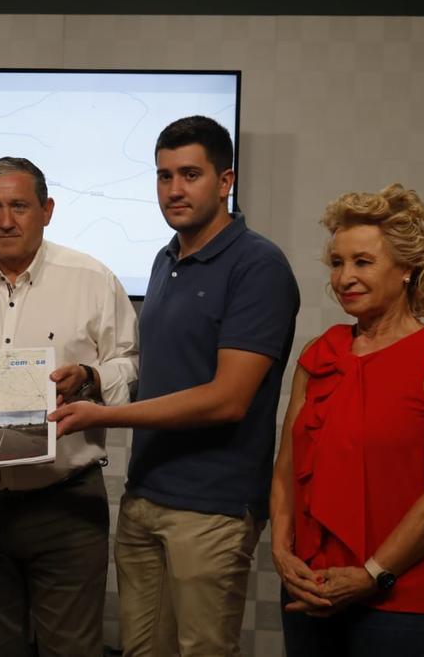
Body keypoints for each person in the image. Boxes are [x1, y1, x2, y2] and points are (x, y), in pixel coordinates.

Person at [50, 115, 300, 656]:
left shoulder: (259, 266)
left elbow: (228, 399)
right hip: (145, 497)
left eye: (190, 174)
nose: (174, 190)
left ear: (226, 180)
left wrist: (102, 417)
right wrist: (92, 381)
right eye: (164, 176)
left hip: (212, 507)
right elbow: (162, 369)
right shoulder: (167, 259)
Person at [0, 156, 139, 656]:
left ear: (47, 210)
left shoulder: (92, 280)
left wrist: (92, 377)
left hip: (65, 504)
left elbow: (129, 366)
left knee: (73, 650)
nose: (6, 220)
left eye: (19, 205)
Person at [268, 184, 424, 656]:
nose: (345, 277)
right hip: (310, 587)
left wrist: (371, 574)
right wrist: (282, 555)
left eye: (362, 262)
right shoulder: (318, 353)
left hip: (401, 597)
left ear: (406, 268)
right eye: (338, 263)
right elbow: (286, 467)